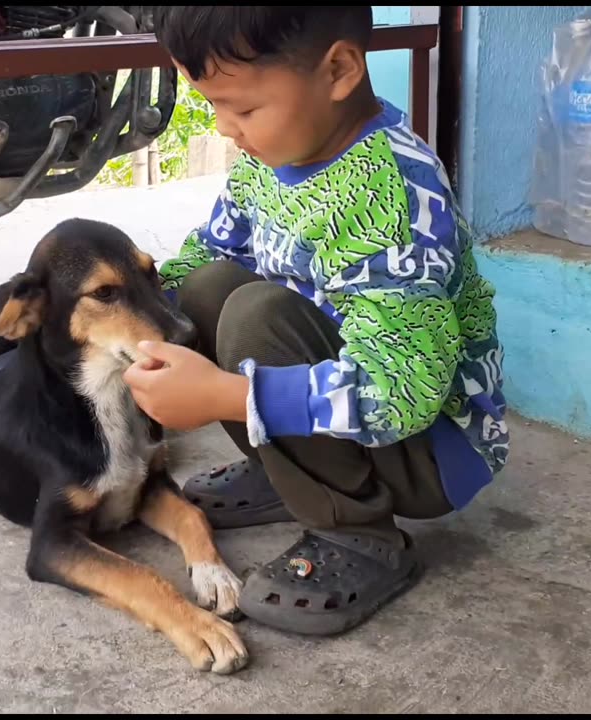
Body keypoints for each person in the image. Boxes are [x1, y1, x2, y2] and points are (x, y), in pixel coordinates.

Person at [122, 6, 510, 637]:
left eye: (243, 110)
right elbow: (214, 250)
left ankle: (358, 533)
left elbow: (402, 392)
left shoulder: (392, 198)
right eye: (215, 108)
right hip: (349, 404)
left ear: (338, 69)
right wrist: (134, 311)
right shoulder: (272, 157)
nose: (226, 130)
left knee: (257, 315)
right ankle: (290, 472)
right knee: (203, 287)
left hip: (427, 444)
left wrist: (226, 395)